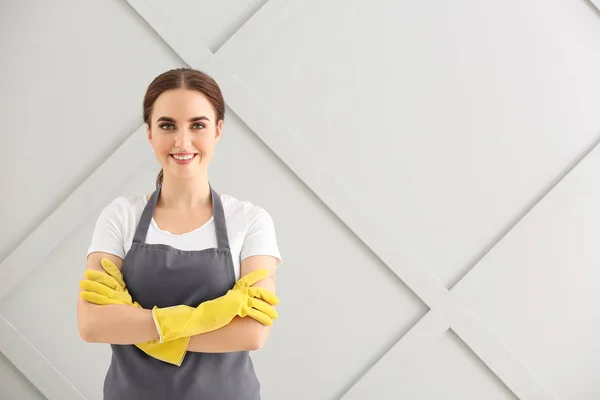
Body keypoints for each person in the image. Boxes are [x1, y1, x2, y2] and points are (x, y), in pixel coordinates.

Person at [76, 68, 282, 399]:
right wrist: (211, 317)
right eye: (167, 125)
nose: (182, 141)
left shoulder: (250, 221)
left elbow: (252, 333)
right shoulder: (120, 217)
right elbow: (92, 324)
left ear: (218, 130)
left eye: (197, 125)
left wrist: (138, 327)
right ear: (149, 132)